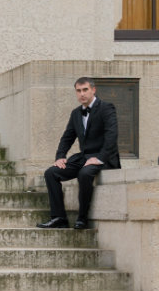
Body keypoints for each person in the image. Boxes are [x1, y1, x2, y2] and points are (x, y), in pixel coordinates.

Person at [37, 77, 120, 230]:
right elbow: (67, 137)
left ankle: (82, 219)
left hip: (104, 157)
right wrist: (60, 157)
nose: (82, 94)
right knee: (51, 173)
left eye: (85, 90)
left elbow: (111, 136)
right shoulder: (76, 113)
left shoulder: (106, 108)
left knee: (84, 174)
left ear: (93, 90)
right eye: (78, 91)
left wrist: (100, 158)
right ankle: (59, 218)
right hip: (83, 157)